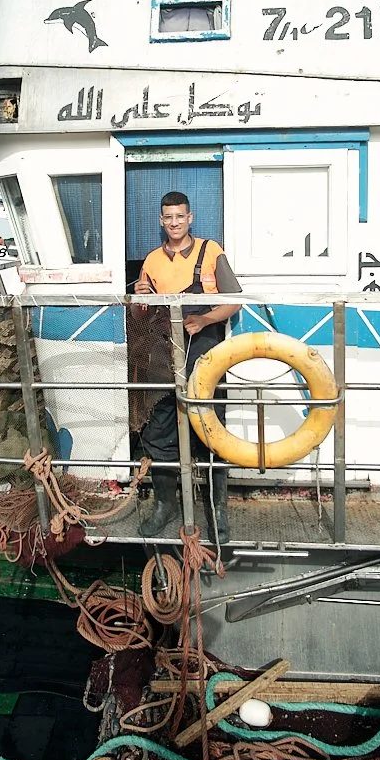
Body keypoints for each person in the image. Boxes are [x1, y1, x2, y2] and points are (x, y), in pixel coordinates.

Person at [133, 191, 241, 542]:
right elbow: (141, 312)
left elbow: (234, 302)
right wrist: (141, 297)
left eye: (180, 216)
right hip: (163, 354)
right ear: (161, 221)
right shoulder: (151, 260)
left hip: (207, 351)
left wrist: (203, 319)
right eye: (168, 217)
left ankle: (217, 511)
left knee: (210, 427)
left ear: (190, 218)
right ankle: (166, 506)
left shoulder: (212, 252)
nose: (175, 222)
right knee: (159, 429)